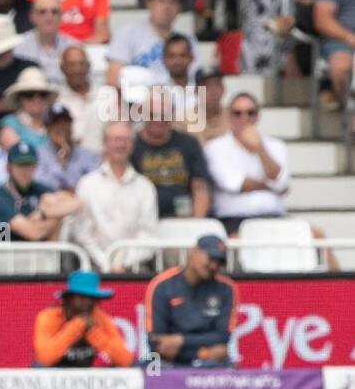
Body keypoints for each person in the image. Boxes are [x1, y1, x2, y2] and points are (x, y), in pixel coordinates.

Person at [69, 121, 158, 274]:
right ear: (105, 143)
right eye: (115, 139)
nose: (120, 145)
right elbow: (82, 233)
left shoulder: (145, 187)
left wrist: (123, 262)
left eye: (125, 140)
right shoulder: (87, 184)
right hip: (94, 270)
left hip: (135, 271)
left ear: (132, 145)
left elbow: (147, 234)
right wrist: (105, 263)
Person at [145, 234, 238, 368]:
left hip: (209, 363)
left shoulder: (226, 288)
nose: (213, 266)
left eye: (219, 262)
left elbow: (223, 338)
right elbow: (156, 343)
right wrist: (205, 352)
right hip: (169, 362)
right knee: (151, 367)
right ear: (193, 251)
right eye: (211, 258)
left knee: (229, 368)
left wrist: (180, 341)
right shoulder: (162, 285)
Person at [203, 92, 290, 233]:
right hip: (234, 221)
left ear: (258, 116)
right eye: (237, 113)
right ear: (228, 117)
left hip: (274, 218)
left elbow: (281, 182)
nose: (245, 118)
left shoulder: (276, 145)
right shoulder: (214, 147)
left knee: (316, 236)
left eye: (251, 113)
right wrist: (272, 186)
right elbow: (232, 184)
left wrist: (260, 148)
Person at [130, 89, 211, 219]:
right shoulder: (131, 145)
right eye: (153, 115)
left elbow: (200, 187)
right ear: (141, 112)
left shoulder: (188, 143)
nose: (159, 120)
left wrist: (196, 222)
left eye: (164, 115)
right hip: (143, 219)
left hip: (183, 218)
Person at [33, 270, 134, 368]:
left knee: (129, 367)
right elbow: (45, 358)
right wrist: (78, 326)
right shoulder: (48, 317)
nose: (89, 303)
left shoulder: (100, 318)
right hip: (55, 379)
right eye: (83, 298)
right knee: (39, 367)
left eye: (94, 298)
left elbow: (125, 360)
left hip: (85, 378)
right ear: (68, 298)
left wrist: (92, 332)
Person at [0, 141, 79, 243]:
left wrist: (43, 213)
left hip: (33, 255)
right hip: (4, 256)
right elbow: (34, 233)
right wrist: (57, 217)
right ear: (8, 167)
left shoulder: (38, 189)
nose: (25, 171)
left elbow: (76, 203)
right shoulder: (0, 197)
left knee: (50, 199)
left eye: (29, 165)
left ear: (35, 167)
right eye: (20, 165)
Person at [34, 104, 98, 193]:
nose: (61, 127)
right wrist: (61, 163)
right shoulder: (38, 154)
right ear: (47, 129)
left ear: (71, 126)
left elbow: (96, 185)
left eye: (65, 123)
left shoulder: (87, 155)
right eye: (55, 124)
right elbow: (41, 187)